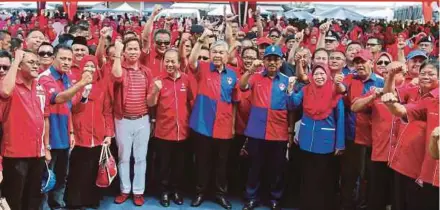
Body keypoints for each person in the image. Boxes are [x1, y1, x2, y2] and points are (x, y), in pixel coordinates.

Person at [187, 29, 240, 209]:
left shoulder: (233, 75)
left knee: (221, 164)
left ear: (227, 55)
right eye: (215, 52)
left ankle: (220, 194)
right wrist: (200, 40)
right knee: (202, 162)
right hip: (202, 125)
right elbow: (191, 60)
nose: (217, 55)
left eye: (221, 52)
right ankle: (200, 192)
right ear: (210, 54)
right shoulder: (202, 68)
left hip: (224, 127)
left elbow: (234, 103)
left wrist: (232, 127)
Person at [238, 45, 294, 210]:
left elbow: (291, 107)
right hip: (257, 130)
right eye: (269, 59)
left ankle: (274, 198)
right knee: (254, 167)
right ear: (263, 60)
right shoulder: (255, 77)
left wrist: (290, 131)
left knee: (276, 168)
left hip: (279, 131)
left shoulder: (287, 80)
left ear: (281, 61)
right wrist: (249, 71)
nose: (272, 62)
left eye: (276, 59)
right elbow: (241, 86)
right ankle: (251, 197)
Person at [39, 44, 93, 210]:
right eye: (63, 58)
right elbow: (58, 98)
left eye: (69, 59)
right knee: (47, 178)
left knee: (62, 177)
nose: (67, 62)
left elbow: (70, 107)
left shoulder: (66, 77)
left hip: (63, 135)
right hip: (49, 137)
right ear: (54, 58)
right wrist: (81, 83)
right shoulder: (45, 77)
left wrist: (71, 131)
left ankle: (58, 205)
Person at [381, 61, 439, 210]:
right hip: (419, 166)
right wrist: (390, 103)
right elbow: (401, 110)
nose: (426, 77)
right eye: (423, 73)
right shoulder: (429, 101)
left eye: (431, 74)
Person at [289, 64, 345, 210]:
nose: (319, 77)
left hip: (326, 142)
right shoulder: (305, 90)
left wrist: (340, 144)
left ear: (328, 75)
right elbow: (293, 104)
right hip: (306, 140)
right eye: (316, 74)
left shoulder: (335, 92)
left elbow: (340, 119)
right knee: (307, 177)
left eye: (322, 74)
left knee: (323, 178)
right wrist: (290, 90)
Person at [0, 50, 50, 210]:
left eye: (37, 62)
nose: (36, 65)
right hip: (16, 155)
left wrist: (46, 147)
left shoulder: (40, 88)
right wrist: (16, 60)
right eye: (30, 62)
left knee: (34, 197)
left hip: (37, 153)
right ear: (19, 65)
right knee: (15, 199)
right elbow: (5, 91)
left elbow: (44, 118)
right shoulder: (10, 84)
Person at [64, 55, 114, 209]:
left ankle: (92, 199)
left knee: (93, 169)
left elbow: (107, 111)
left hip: (98, 136)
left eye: (93, 66)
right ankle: (75, 201)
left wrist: (108, 134)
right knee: (78, 170)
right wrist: (83, 94)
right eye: (87, 66)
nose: (90, 69)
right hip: (79, 135)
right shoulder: (74, 86)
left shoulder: (102, 87)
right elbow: (72, 110)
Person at [146, 48, 193, 207]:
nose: (170, 64)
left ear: (179, 63)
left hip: (183, 132)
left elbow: (191, 101)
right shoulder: (157, 80)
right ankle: (164, 192)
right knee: (163, 165)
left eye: (173, 61)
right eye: (167, 61)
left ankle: (176, 190)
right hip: (163, 131)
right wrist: (155, 91)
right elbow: (150, 103)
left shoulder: (186, 79)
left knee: (179, 165)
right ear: (163, 62)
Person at [112, 37, 153, 206]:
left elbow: (151, 98)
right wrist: (117, 53)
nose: (133, 52)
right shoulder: (120, 69)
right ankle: (124, 189)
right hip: (122, 120)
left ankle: (138, 191)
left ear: (140, 51)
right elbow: (116, 77)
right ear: (125, 51)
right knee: (123, 157)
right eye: (129, 49)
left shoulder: (146, 72)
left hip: (143, 119)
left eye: (136, 48)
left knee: (141, 158)